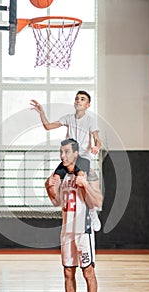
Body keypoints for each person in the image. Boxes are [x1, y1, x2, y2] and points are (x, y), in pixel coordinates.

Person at [45, 138, 103, 292]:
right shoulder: (63, 176)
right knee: (68, 271)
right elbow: (57, 202)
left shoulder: (87, 174)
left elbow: (97, 202)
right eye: (61, 152)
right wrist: (49, 188)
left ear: (76, 153)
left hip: (83, 231)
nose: (62, 156)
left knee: (88, 272)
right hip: (66, 231)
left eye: (66, 152)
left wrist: (85, 185)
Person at [30, 90, 102, 231]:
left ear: (88, 105)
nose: (78, 101)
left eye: (82, 99)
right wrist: (41, 113)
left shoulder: (90, 121)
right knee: (54, 179)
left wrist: (96, 147)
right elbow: (48, 126)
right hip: (69, 158)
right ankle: (60, 204)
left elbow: (97, 139)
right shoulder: (68, 118)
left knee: (81, 181)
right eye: (76, 98)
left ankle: (92, 212)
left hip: (82, 158)